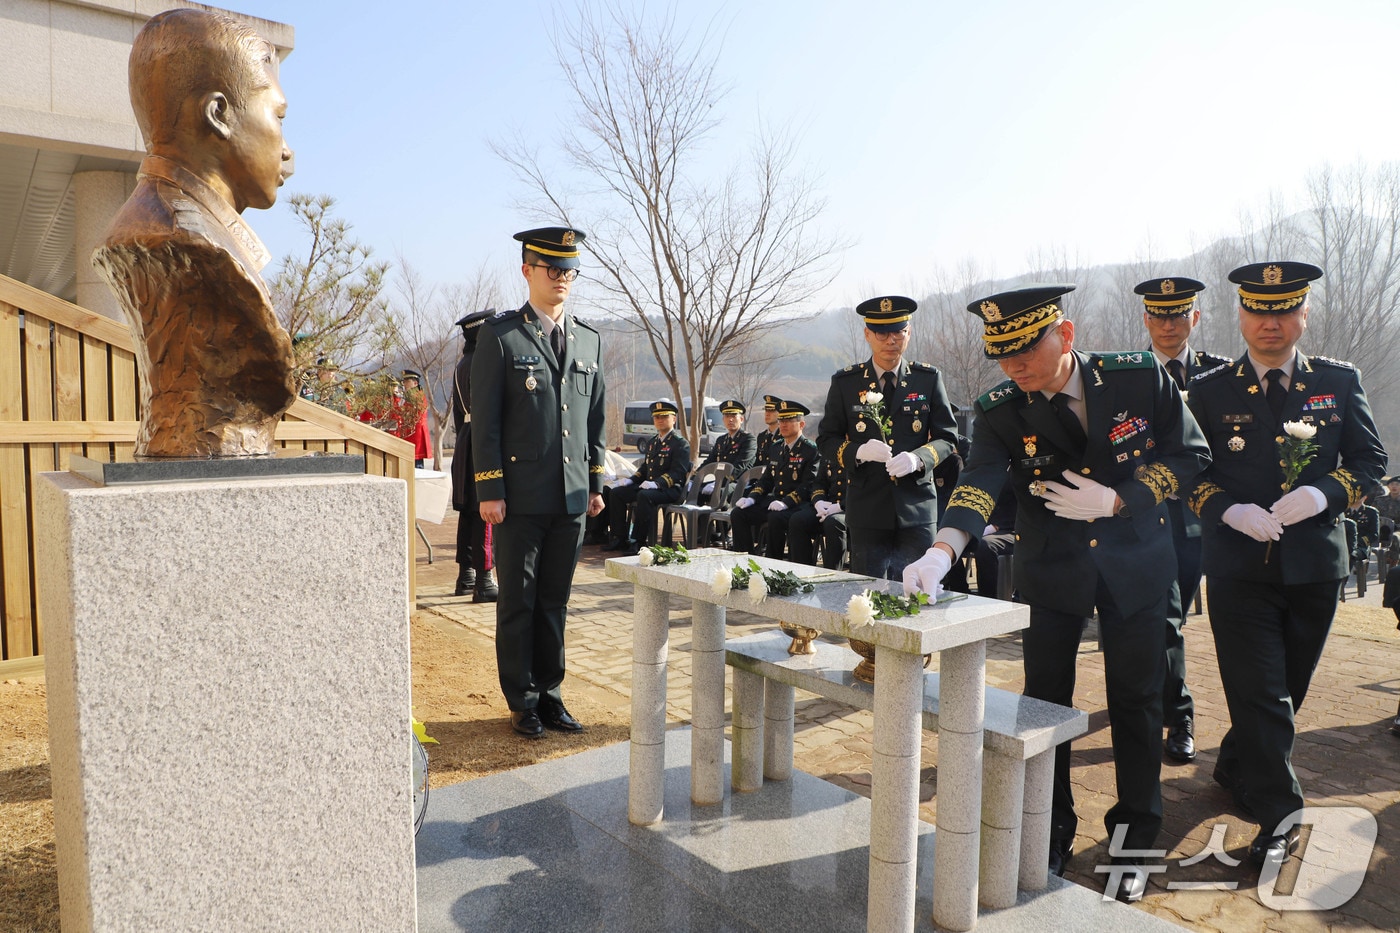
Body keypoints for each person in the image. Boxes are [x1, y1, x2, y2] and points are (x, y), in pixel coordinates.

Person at [902, 284, 1209, 903]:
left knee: (1138, 702)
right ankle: (1048, 829)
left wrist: (1124, 497)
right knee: (1044, 707)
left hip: (1137, 566)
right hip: (1053, 571)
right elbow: (981, 480)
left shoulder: (1137, 377)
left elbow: (1191, 455)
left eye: (1024, 351)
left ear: (1065, 336)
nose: (1013, 367)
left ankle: (1136, 840)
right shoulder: (1000, 408)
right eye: (1002, 355)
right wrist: (944, 549)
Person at [1185, 261, 1385, 864]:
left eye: (1282, 310)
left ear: (1302, 315)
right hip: (1238, 565)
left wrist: (1323, 494)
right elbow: (1188, 471)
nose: (1269, 322)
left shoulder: (1338, 382)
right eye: (1256, 310)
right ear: (1241, 317)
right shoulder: (1210, 389)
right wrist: (1225, 510)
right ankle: (1282, 815)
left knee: (1285, 689)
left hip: (1315, 566)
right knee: (1262, 692)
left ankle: (1236, 760)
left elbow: (1370, 463)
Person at [92, 8, 297, 457]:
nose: (287, 151)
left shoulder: (163, 226)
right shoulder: (183, 242)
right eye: (279, 117)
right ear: (220, 114)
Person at [472, 226, 606, 739]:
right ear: (527, 270)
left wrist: (594, 484)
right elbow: (486, 423)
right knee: (519, 600)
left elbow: (592, 423)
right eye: (553, 269)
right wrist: (490, 490)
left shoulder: (589, 340)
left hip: (570, 497)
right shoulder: (502, 337)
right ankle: (521, 698)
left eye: (570, 270)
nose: (563, 280)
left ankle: (550, 693)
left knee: (555, 599)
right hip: (519, 499)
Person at [1135, 276, 1233, 765]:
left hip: (1200, 520)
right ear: (1146, 319)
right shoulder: (1124, 375)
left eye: (1179, 315)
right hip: (1142, 516)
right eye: (1159, 315)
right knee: (1162, 618)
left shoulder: (1221, 376)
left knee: (1180, 619)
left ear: (1194, 319)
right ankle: (1178, 712)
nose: (1168, 324)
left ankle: (1166, 703)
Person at [817, 296, 959, 580]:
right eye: (882, 333)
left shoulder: (927, 378)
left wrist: (918, 458)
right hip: (868, 507)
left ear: (909, 332)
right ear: (868, 334)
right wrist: (858, 452)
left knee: (915, 593)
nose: (891, 340)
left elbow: (947, 437)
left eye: (898, 331)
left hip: (916, 507)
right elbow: (826, 440)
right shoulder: (846, 383)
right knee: (867, 597)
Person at [450, 310, 498, 602]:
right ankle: (484, 580)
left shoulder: (461, 365)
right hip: (482, 441)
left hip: (465, 440)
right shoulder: (484, 363)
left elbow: (458, 415)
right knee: (484, 512)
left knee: (468, 512)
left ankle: (465, 576)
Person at [730, 400, 820, 556]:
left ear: (801, 424)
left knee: (775, 518)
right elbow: (767, 479)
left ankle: (773, 562)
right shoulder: (776, 447)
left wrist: (786, 502)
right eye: (781, 420)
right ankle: (744, 559)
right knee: (738, 513)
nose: (783, 424)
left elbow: (808, 485)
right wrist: (751, 497)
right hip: (775, 501)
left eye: (789, 420)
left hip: (797, 504)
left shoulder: (810, 450)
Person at [604, 400, 692, 555]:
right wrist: (631, 479)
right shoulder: (652, 442)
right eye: (657, 417)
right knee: (616, 492)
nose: (660, 420)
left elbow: (678, 472)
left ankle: (639, 541)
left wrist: (657, 483)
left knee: (644, 496)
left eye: (664, 416)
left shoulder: (680, 444)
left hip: (671, 489)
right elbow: (645, 468)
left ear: (674, 419)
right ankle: (619, 537)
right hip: (648, 486)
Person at [787, 455, 848, 569]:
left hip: (850, 508)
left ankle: (832, 576)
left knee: (833, 522)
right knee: (798, 520)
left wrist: (841, 506)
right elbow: (819, 483)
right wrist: (818, 501)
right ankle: (802, 572)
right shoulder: (830, 451)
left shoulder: (860, 449)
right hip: (827, 506)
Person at [695, 399, 758, 504]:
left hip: (739, 481)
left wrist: (719, 483)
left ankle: (722, 520)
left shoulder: (748, 439)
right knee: (696, 491)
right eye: (727, 416)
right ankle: (702, 520)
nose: (730, 420)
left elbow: (740, 467)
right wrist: (695, 477)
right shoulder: (721, 440)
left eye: (734, 416)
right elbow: (710, 461)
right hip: (721, 481)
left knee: (718, 494)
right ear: (723, 419)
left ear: (741, 419)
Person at [401, 369, 431, 468]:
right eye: (404, 381)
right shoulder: (409, 396)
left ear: (415, 383)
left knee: (417, 467)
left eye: (407, 381)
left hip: (416, 435)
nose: (404, 384)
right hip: (409, 435)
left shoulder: (417, 396)